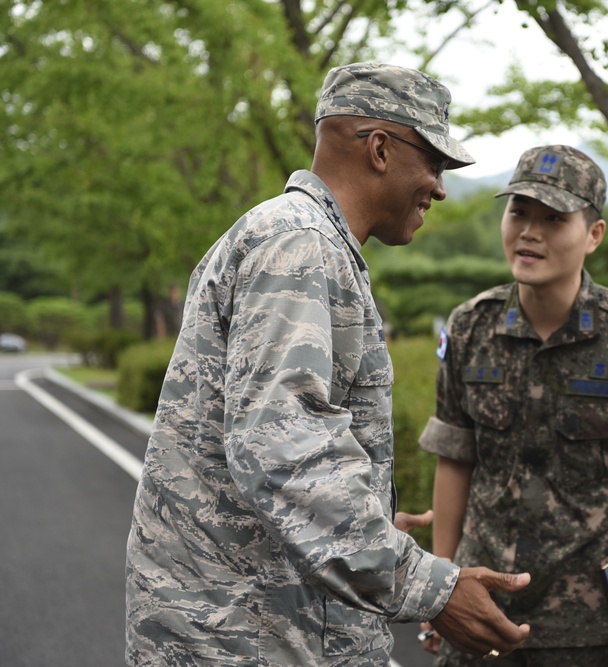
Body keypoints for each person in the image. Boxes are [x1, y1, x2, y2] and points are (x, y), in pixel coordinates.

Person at [124, 62, 533, 666]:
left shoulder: (297, 238)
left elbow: (265, 435)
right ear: (379, 149)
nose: (442, 188)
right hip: (243, 637)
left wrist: (368, 516)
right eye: (436, 163)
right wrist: (427, 585)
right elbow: (284, 447)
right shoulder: (299, 244)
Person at [416, 144, 608, 667]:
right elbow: (455, 460)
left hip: (593, 626)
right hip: (481, 609)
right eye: (518, 211)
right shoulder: (471, 326)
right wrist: (439, 584)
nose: (529, 232)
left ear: (593, 235)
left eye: (553, 218)